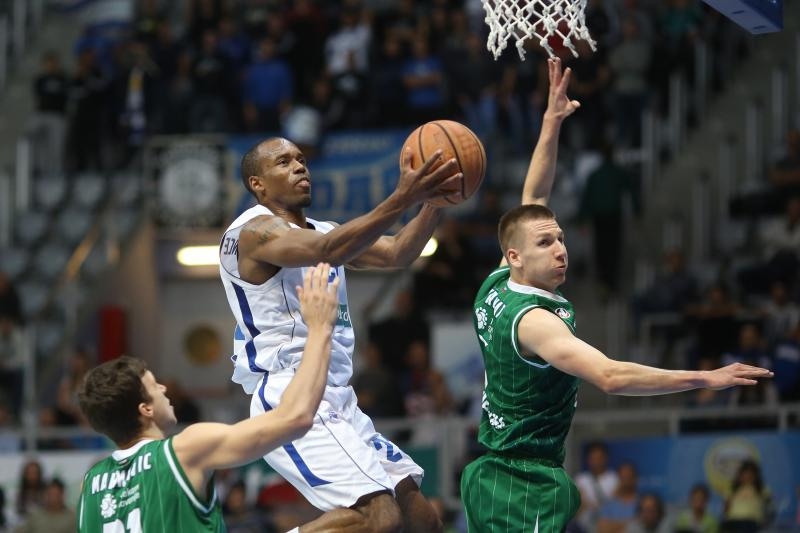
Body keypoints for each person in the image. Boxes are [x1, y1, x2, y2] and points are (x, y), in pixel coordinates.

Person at [459, 57, 773, 533]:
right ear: (517, 255)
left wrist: (550, 124)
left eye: (561, 237)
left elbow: (534, 195)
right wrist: (706, 378)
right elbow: (609, 376)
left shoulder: (500, 280)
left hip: (498, 474)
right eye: (547, 243)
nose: (561, 248)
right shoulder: (535, 321)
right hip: (521, 481)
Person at [219, 121, 460, 531]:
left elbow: (399, 253)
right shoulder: (252, 232)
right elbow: (328, 251)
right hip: (291, 393)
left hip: (338, 398)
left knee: (422, 519)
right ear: (258, 185)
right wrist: (402, 196)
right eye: (284, 161)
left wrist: (435, 201)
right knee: (377, 516)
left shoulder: (327, 230)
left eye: (301, 159)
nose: (300, 167)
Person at [76, 264, 340, 532]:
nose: (165, 390)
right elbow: (295, 418)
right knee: (356, 519)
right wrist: (319, 328)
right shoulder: (184, 449)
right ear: (145, 408)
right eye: (155, 386)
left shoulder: (91, 483)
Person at [574, 441, 619, 532]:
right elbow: (575, 508)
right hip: (583, 526)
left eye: (599, 458)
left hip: (608, 526)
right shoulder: (580, 479)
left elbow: (617, 505)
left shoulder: (615, 479)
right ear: (588, 459)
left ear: (606, 458)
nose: (596, 461)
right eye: (593, 458)